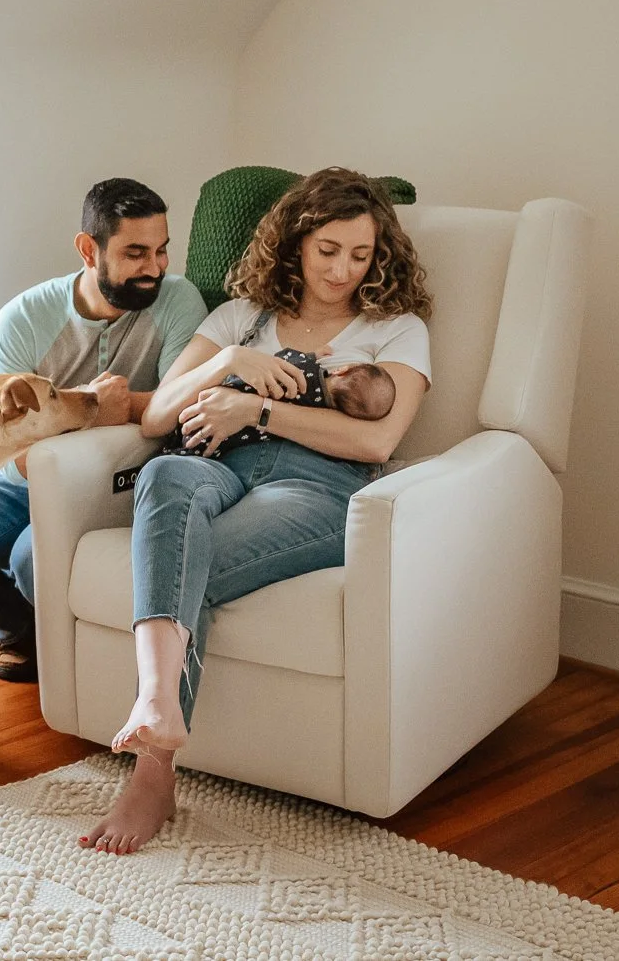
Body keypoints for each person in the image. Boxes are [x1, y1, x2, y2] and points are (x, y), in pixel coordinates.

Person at [82, 167, 434, 853]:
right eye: (329, 249)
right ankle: (157, 701)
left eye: (360, 255)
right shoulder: (242, 315)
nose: (343, 270)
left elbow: (377, 437)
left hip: (318, 487)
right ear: (297, 240)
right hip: (217, 464)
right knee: (165, 475)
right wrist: (232, 363)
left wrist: (260, 407)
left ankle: (153, 767)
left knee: (190, 563)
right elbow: (156, 413)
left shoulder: (396, 329)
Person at [0, 178, 207, 684]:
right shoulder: (21, 321)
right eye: (135, 253)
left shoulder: (178, 301)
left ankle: (68, 650)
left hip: (116, 477)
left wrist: (108, 410)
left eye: (162, 251)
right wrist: (93, 409)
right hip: (25, 480)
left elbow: (178, 404)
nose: (154, 268)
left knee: (29, 559)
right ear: (88, 249)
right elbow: (13, 450)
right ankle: (26, 628)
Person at [160, 354, 395, 459]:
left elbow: (282, 359)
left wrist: (312, 355)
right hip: (224, 443)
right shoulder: (317, 410)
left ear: (342, 369)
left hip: (210, 404)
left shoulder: (306, 372)